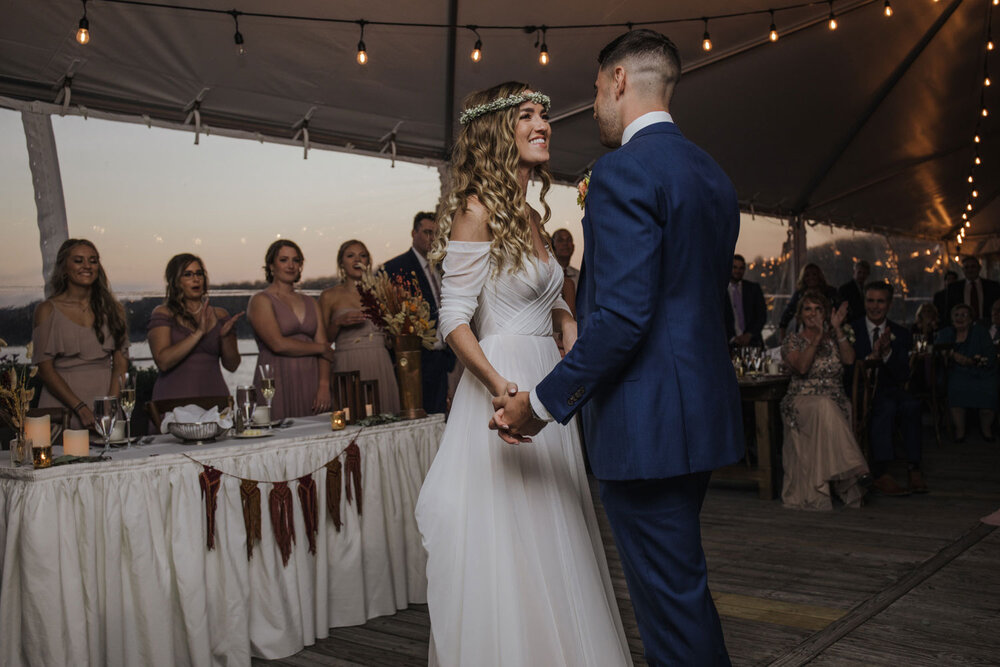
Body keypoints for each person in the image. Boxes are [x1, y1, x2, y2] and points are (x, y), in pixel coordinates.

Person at [491, 30, 742, 665]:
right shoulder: (711, 173)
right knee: (680, 588)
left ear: (620, 81)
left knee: (670, 606)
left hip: (647, 426)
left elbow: (626, 317)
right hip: (699, 416)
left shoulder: (623, 171)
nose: (596, 102)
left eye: (598, 89)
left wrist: (542, 405)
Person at [414, 82, 631, 666]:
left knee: (555, 527)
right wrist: (498, 386)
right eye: (527, 116)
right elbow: (454, 320)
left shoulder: (532, 215)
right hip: (505, 381)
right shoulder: (475, 211)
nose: (544, 125)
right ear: (496, 132)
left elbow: (546, 294)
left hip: (548, 383)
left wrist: (563, 315)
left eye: (545, 116)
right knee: (508, 540)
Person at [780, 291, 870, 510]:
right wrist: (817, 338)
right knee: (824, 405)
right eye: (808, 309)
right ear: (800, 314)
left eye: (818, 309)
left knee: (833, 406)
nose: (813, 314)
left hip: (835, 399)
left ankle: (846, 471)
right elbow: (802, 368)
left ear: (826, 313)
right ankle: (855, 466)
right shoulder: (792, 340)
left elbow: (849, 360)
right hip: (802, 400)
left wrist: (836, 328)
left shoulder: (836, 338)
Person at [32, 239, 129, 429]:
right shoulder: (46, 310)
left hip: (105, 403)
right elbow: (45, 369)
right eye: (78, 260)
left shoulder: (114, 310)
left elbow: (120, 365)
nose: (87, 266)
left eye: (93, 261)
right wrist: (80, 407)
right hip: (62, 407)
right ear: (64, 268)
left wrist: (108, 406)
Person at [851, 282, 926, 494]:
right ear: (864, 302)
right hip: (860, 392)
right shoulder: (851, 330)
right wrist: (869, 359)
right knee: (886, 407)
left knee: (911, 404)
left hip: (890, 388)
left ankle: (914, 467)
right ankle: (881, 472)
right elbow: (847, 371)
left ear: (889, 304)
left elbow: (904, 374)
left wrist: (886, 354)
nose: (875, 306)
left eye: (880, 301)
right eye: (870, 300)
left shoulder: (901, 334)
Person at [247, 240, 334, 420]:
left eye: (296, 260)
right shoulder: (261, 300)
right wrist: (321, 348)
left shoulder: (311, 302)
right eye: (284, 260)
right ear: (271, 265)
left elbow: (324, 346)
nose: (291, 265)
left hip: (312, 379)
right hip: (277, 380)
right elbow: (277, 344)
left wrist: (324, 386)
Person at [383, 212, 456, 414]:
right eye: (427, 232)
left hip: (444, 359)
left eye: (436, 233)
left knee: (441, 420)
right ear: (413, 233)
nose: (432, 238)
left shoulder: (443, 268)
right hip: (415, 359)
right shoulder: (396, 268)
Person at [319, 240, 400, 415]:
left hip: (380, 360)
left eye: (362, 255)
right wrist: (338, 322)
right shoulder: (329, 296)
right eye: (351, 255)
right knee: (350, 419)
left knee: (385, 417)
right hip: (348, 364)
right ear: (341, 262)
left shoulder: (382, 292)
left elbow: (395, 336)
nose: (357, 260)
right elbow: (324, 341)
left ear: (368, 262)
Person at [147, 253, 242, 401]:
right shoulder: (163, 313)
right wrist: (198, 333)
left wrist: (225, 338)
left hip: (215, 399)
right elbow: (163, 362)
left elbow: (232, 366)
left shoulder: (220, 315)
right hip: (173, 402)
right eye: (188, 275)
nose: (196, 279)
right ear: (176, 282)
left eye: (199, 274)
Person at [936, 303, 997, 442]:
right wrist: (952, 355)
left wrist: (974, 361)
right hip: (957, 372)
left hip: (982, 371)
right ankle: (960, 432)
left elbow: (990, 355)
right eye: (957, 315)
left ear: (970, 319)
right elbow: (937, 350)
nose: (960, 318)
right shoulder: (946, 333)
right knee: (957, 384)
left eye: (964, 315)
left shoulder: (980, 332)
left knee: (989, 388)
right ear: (952, 319)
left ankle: (986, 431)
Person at [778, 263, 839, 341]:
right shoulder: (799, 294)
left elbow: (839, 312)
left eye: (814, 274)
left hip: (828, 334)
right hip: (805, 336)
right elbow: (786, 315)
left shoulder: (831, 292)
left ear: (819, 276)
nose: (811, 278)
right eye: (807, 275)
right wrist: (782, 335)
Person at [725, 253, 767, 347]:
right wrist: (732, 338)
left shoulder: (753, 289)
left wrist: (749, 335)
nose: (738, 271)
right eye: (734, 267)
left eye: (741, 268)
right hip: (727, 345)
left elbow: (762, 315)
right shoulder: (720, 292)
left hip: (753, 343)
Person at [945, 256, 1000, 324]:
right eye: (966, 267)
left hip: (987, 325)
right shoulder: (954, 288)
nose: (970, 270)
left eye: (973, 266)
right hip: (962, 326)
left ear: (979, 268)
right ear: (963, 270)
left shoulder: (992, 286)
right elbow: (949, 310)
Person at [837, 259, 871, 324]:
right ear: (854, 272)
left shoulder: (868, 289)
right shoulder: (845, 289)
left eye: (864, 273)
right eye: (859, 272)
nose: (861, 275)